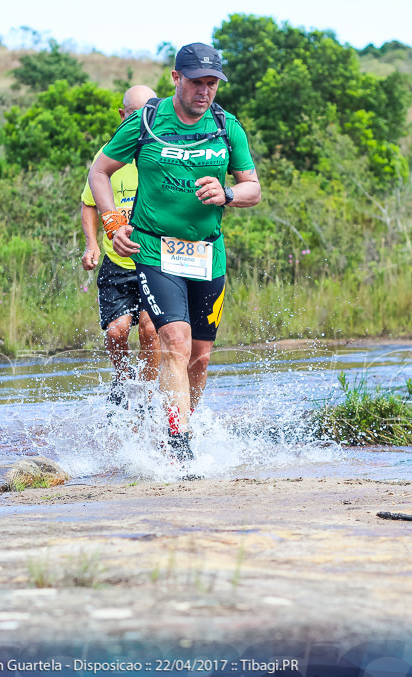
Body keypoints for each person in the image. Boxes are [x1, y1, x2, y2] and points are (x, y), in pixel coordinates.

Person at [88, 43, 261, 461]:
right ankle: (179, 444)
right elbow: (99, 172)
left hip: (207, 255)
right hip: (154, 249)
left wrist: (228, 193)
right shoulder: (147, 121)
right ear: (176, 78)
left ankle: (180, 421)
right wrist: (112, 224)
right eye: (198, 82)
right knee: (174, 341)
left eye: (212, 84)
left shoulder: (226, 125)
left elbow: (253, 188)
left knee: (199, 358)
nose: (205, 91)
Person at [80, 85, 160, 408]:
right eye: (134, 115)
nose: (140, 122)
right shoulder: (108, 155)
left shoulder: (161, 151)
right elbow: (89, 204)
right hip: (116, 263)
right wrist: (91, 244)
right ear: (122, 116)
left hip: (153, 261)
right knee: (116, 333)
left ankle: (147, 395)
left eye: (147, 114)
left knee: (150, 332)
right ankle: (123, 381)